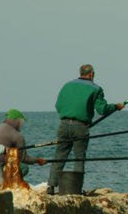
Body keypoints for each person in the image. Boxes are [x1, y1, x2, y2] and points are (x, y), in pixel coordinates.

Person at [47, 64, 123, 194]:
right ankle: (75, 189)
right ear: (92, 74)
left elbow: (58, 105)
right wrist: (116, 107)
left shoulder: (67, 85)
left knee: (59, 156)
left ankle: (51, 186)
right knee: (79, 157)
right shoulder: (96, 89)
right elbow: (102, 109)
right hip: (81, 126)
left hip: (64, 124)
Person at [0, 109, 47, 188]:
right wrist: (37, 160)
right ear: (17, 121)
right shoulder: (17, 135)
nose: (22, 125)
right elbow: (23, 158)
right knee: (23, 167)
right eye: (21, 122)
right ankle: (8, 185)